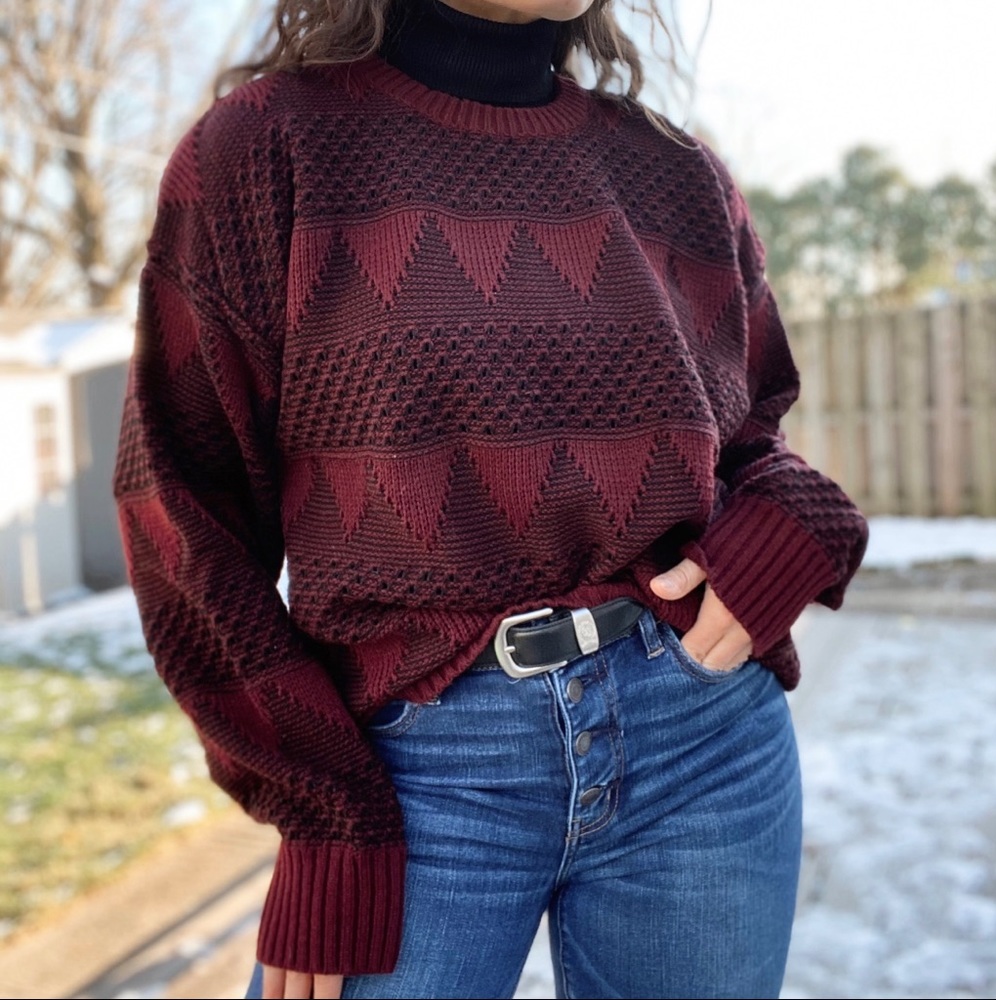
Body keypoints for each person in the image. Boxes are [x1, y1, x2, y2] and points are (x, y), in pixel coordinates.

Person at [113, 1, 869, 997]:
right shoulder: (265, 152)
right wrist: (321, 807)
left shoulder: (677, 172)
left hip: (703, 740)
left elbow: (747, 431)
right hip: (415, 780)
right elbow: (181, 511)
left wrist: (793, 515)